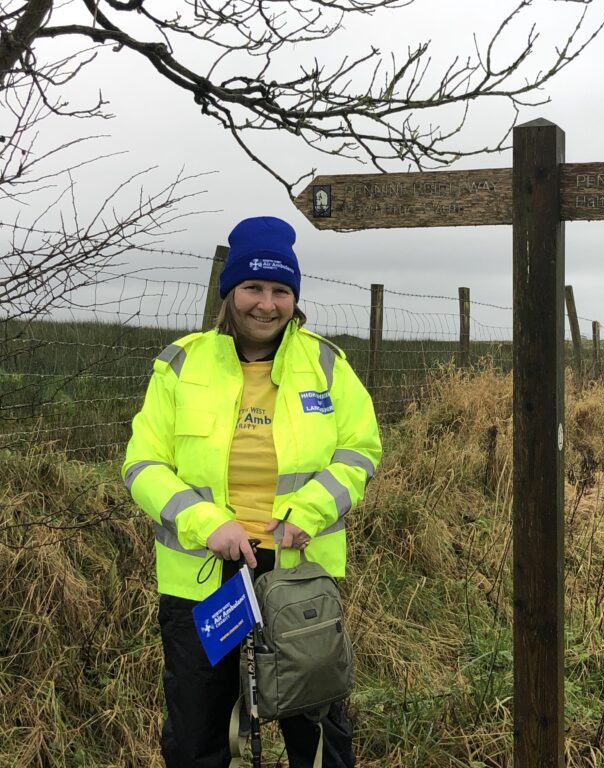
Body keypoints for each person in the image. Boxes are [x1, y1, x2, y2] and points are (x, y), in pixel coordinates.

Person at [123, 216, 382, 768]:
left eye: (281, 291)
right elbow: (142, 465)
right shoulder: (180, 365)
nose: (266, 304)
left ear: (295, 298)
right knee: (198, 734)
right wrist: (207, 524)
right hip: (205, 583)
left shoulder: (328, 366)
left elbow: (360, 452)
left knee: (315, 732)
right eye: (253, 288)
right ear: (229, 293)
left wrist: (307, 514)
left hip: (298, 574)